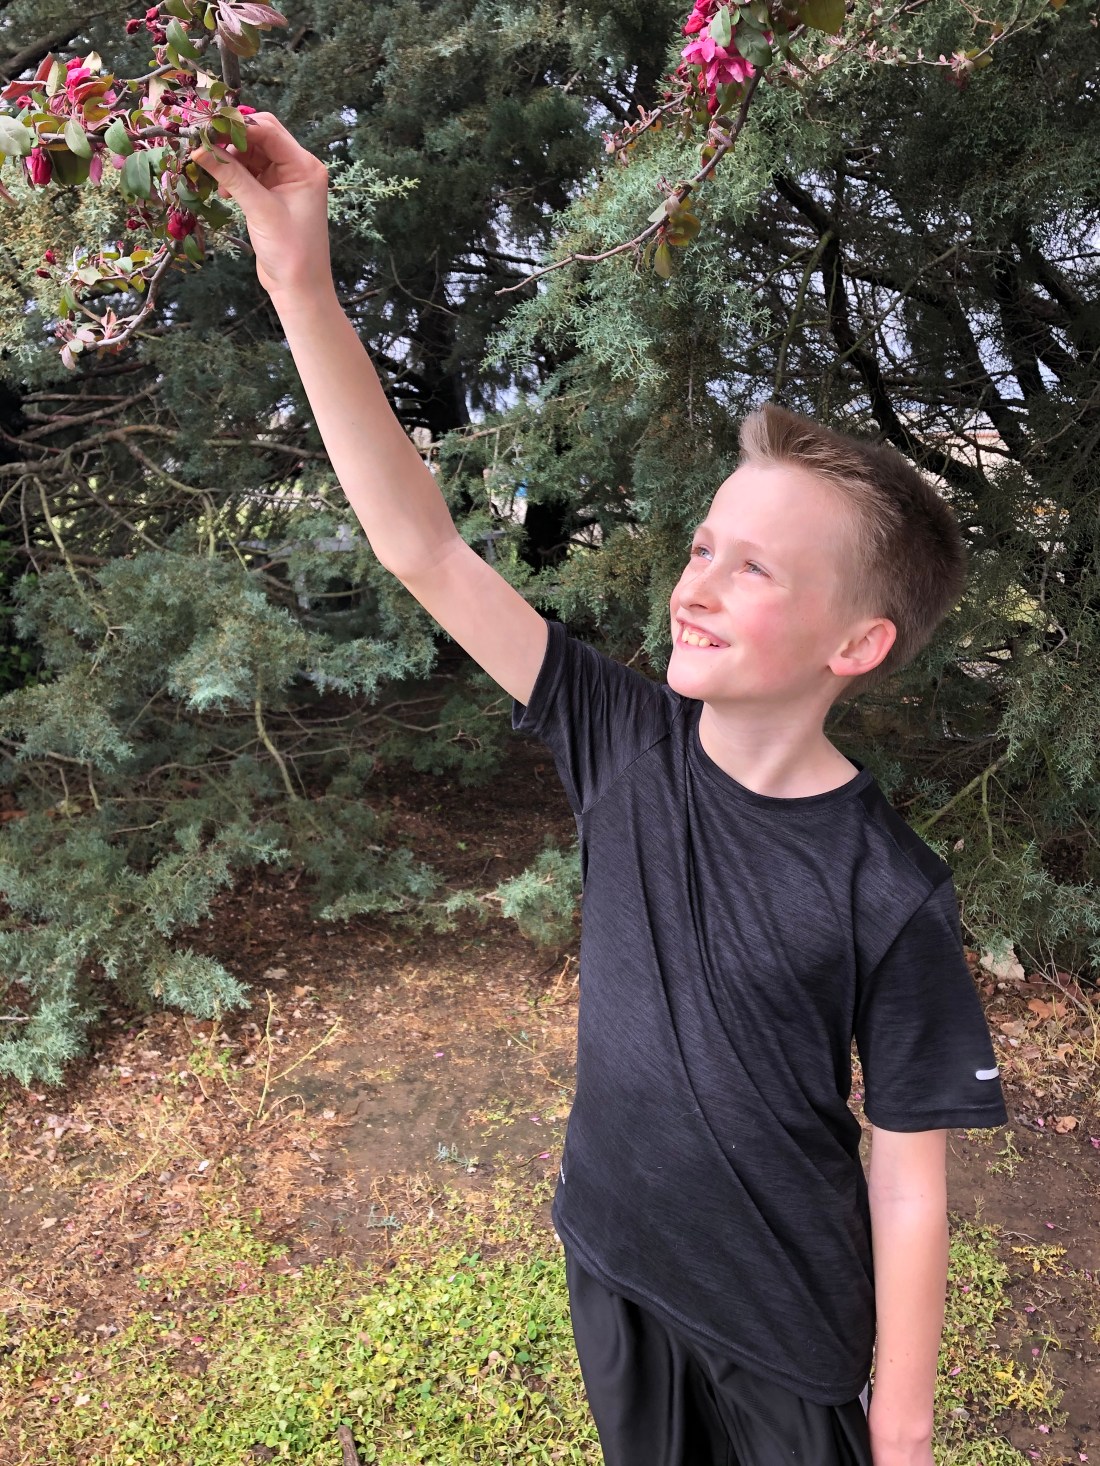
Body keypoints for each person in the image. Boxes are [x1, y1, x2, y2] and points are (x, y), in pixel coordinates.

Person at [196, 116, 1008, 1466]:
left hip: (786, 1339)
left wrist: (904, 1429)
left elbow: (911, 1169)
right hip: (614, 1260)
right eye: (702, 546)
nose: (698, 584)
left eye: (756, 568)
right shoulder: (620, 737)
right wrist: (300, 284)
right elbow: (424, 548)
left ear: (857, 645)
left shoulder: (890, 891)